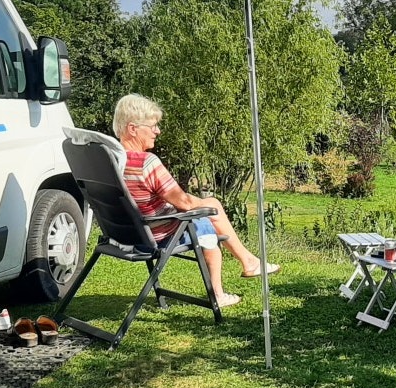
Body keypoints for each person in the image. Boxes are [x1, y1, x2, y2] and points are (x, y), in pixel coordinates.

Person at [114, 93, 279, 308]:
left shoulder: (112, 159)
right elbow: (185, 204)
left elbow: (169, 196)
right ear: (133, 128)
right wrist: (210, 204)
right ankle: (222, 290)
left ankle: (249, 261)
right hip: (157, 235)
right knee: (206, 220)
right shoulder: (146, 163)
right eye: (153, 126)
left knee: (211, 205)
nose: (158, 131)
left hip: (127, 235)